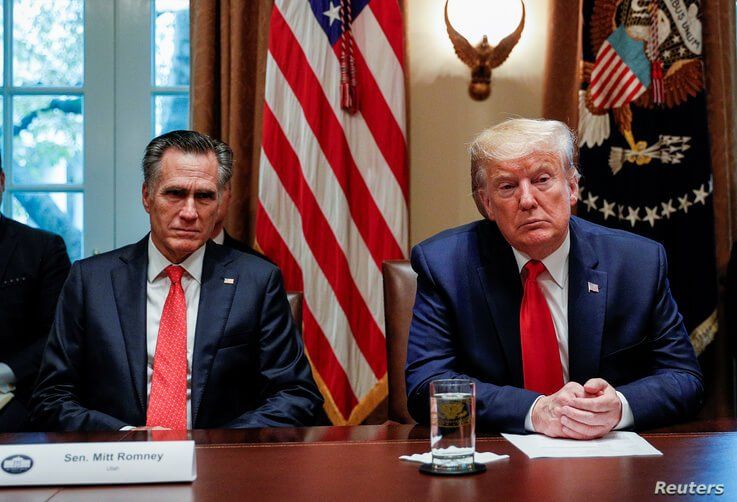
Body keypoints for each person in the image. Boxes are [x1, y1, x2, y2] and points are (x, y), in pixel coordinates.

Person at [405, 118, 703, 439]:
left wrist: (619, 405)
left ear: (572, 188)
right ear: (487, 203)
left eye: (542, 179)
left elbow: (684, 378)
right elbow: (426, 388)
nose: (527, 200)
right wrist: (534, 411)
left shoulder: (637, 263)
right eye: (507, 186)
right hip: (498, 462)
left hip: (607, 459)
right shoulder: (444, 266)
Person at [31, 130, 323, 431]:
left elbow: (295, 395)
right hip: (117, 462)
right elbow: (51, 398)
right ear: (147, 196)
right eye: (175, 193)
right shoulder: (91, 282)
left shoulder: (258, 281)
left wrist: (211, 445)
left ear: (221, 202)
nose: (189, 212)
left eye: (205, 196)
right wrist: (126, 439)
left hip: (220, 464)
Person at [0, 163, 71, 432]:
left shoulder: (42, 248)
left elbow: (57, 336)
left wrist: (5, 371)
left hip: (18, 395)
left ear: (2, 181)